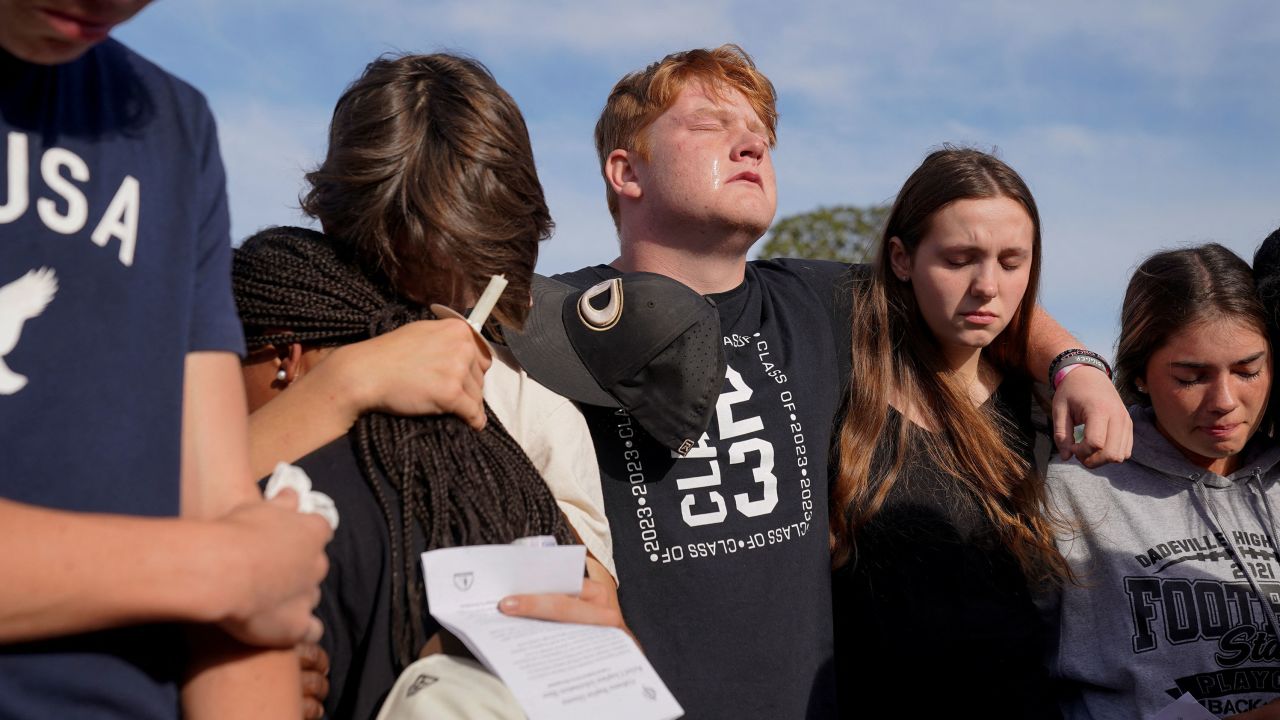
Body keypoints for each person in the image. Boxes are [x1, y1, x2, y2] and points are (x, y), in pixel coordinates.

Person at [270, 44, 1132, 719]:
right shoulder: (546, 320)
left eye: (760, 129)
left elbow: (979, 289)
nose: (751, 140)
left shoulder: (828, 302)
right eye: (711, 124)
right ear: (626, 171)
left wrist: (1076, 363)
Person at [234, 54, 622, 719]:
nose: (433, 325)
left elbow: (592, 615)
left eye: (466, 292)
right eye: (406, 280)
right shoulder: (264, 320)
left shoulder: (535, 411)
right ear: (338, 228)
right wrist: (347, 383)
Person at [0, 1, 332, 718]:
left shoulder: (174, 126)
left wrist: (244, 574)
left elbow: (223, 513)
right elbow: (244, 567)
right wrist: (221, 571)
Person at [829, 148, 1069, 718]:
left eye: (1013, 262)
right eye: (960, 259)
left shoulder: (1045, 409)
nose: (988, 286)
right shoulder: (839, 387)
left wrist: (1078, 363)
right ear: (902, 258)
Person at [1045, 243, 1277, 719]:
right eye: (1191, 377)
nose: (1225, 400)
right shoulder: (1075, 491)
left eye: (1248, 371)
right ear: (1141, 374)